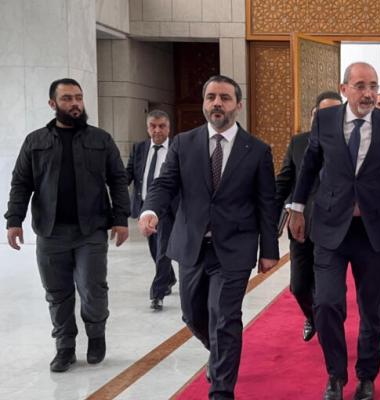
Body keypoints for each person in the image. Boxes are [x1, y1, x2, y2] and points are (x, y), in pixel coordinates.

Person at [138, 75, 279, 400]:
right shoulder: (183, 143)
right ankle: (219, 353)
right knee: (193, 314)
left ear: (238, 105)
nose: (217, 103)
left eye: (225, 98)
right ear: (204, 103)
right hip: (192, 245)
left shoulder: (257, 150)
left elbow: (266, 203)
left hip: (234, 248)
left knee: (225, 316)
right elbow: (165, 184)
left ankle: (221, 390)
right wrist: (151, 210)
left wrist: (269, 250)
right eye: (211, 97)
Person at [289, 62, 380, 400]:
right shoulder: (325, 119)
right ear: (344, 89)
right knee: (327, 304)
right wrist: (296, 208)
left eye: (373, 86)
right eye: (360, 86)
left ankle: (367, 376)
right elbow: (310, 165)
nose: (368, 93)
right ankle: (336, 374)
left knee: (372, 310)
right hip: (330, 227)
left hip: (373, 231)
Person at [5, 78, 130, 372]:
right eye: (67, 99)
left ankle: (96, 337)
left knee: (92, 288)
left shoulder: (101, 139)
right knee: (57, 292)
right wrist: (14, 220)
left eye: (78, 98)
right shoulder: (35, 141)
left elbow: (118, 179)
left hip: (91, 230)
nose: (75, 104)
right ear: (53, 104)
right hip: (50, 232)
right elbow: (21, 183)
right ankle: (65, 347)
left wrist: (121, 218)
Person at [275, 91, 343, 341]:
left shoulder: (351, 143)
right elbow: (284, 180)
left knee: (331, 291)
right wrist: (271, 214)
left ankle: (330, 327)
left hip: (337, 228)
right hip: (301, 226)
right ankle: (313, 317)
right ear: (314, 115)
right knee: (299, 286)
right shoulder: (299, 142)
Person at [126, 110, 177, 310]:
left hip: (168, 209)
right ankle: (169, 278)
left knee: (163, 250)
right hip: (145, 209)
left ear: (169, 128)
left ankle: (157, 294)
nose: (157, 130)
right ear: (147, 128)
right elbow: (129, 174)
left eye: (162, 126)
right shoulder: (139, 148)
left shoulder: (177, 148)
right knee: (155, 249)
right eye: (153, 126)